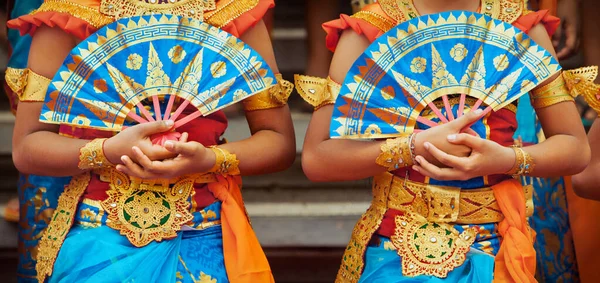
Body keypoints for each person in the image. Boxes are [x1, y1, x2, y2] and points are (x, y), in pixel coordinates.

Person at [297, 0, 591, 282]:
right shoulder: (367, 31)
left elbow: (575, 148)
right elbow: (318, 158)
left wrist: (506, 159)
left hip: (497, 243)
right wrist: (414, 147)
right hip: (397, 244)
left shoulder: (521, 28)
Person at [6, 0, 296, 282]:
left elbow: (278, 142)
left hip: (205, 227)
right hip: (101, 233)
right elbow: (28, 146)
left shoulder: (232, 11)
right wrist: (108, 151)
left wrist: (210, 159)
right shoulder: (70, 13)